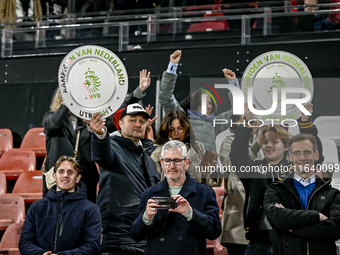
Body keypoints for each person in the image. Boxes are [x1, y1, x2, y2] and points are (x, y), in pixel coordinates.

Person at [42, 70, 152, 203]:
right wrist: (67, 103)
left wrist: (138, 92)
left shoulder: (91, 120)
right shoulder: (51, 118)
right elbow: (51, 126)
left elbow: (114, 111)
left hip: (86, 178)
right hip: (59, 178)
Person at [229, 103, 324, 255]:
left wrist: (305, 122)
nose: (269, 145)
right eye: (265, 142)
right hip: (258, 244)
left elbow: (314, 154)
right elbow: (237, 156)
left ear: (286, 147)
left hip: (291, 242)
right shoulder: (252, 170)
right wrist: (247, 123)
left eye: (274, 141)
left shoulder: (298, 169)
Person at [90, 102, 160, 255]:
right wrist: (100, 135)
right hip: (117, 239)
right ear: (120, 124)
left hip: (145, 236)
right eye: (132, 120)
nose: (138, 124)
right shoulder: (112, 147)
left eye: (142, 121)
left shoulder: (149, 158)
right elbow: (101, 154)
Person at [131, 140, 222, 255]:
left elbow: (214, 231)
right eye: (167, 161)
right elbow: (135, 235)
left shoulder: (204, 192)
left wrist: (190, 213)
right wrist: (146, 217)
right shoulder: (150, 193)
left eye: (177, 161)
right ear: (161, 163)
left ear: (187, 163)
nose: (172, 166)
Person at [264, 133, 340, 255]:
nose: (302, 158)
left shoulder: (332, 194)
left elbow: (336, 228)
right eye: (296, 153)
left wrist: (292, 229)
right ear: (290, 157)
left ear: (316, 155)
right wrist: (316, 216)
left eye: (307, 152)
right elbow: (276, 218)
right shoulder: (276, 190)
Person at [158, 49, 239, 152]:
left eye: (210, 103)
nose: (209, 106)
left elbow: (237, 112)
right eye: (205, 102)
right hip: (186, 167)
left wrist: (233, 83)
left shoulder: (214, 123)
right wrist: (172, 67)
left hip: (209, 168)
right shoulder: (183, 119)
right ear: (195, 103)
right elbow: (165, 97)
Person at [19, 156, 101, 255]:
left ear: (78, 178)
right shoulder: (37, 207)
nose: (65, 175)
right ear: (54, 175)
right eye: (61, 171)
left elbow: (92, 246)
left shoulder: (90, 209)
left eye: (70, 172)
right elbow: (25, 242)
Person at [218, 114, 264, 255]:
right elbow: (235, 165)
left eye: (253, 122)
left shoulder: (264, 143)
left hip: (259, 212)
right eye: (242, 122)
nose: (251, 125)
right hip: (237, 208)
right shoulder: (228, 142)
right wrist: (256, 146)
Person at [151, 109, 208, 184]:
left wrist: (211, 172)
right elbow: (155, 184)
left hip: (196, 193)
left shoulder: (198, 147)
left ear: (186, 128)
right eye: (171, 130)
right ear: (166, 131)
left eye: (180, 128)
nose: (176, 133)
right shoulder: (158, 152)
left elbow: (208, 181)